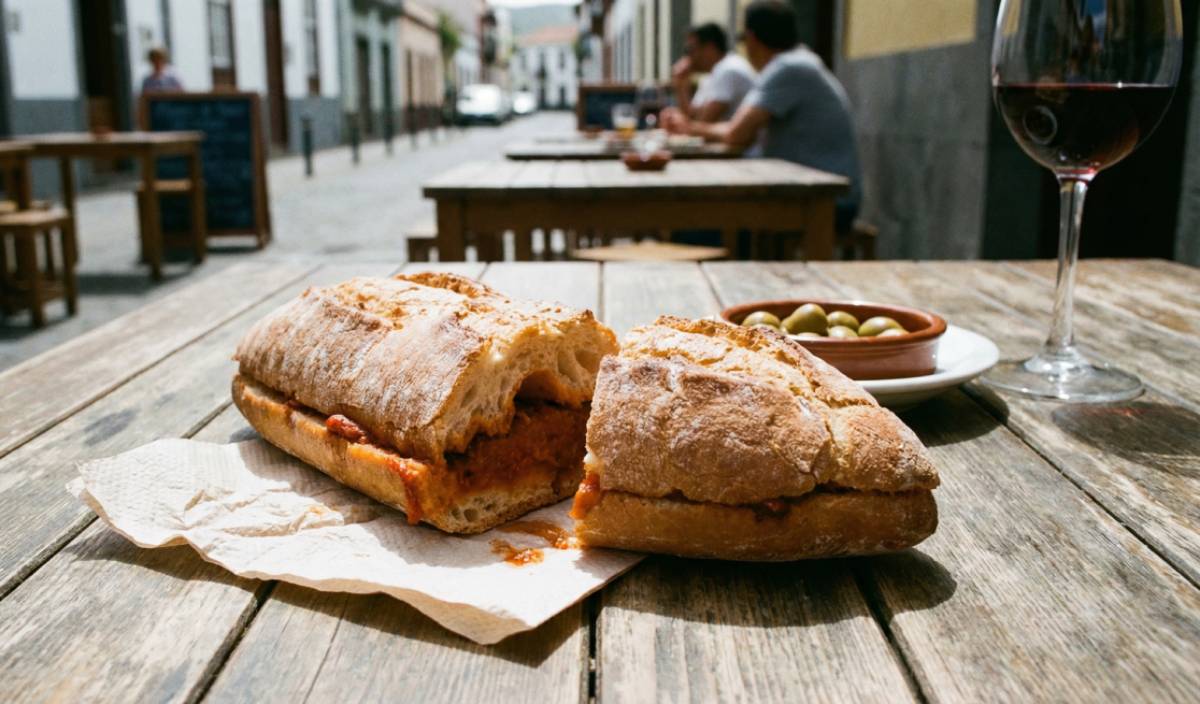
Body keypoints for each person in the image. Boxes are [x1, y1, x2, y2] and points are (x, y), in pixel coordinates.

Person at [663, 0, 862, 230]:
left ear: (752, 39)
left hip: (827, 202)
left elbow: (737, 134)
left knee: (699, 221)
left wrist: (688, 127)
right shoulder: (796, 63)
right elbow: (737, 131)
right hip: (816, 192)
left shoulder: (787, 68)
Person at [666, 23, 755, 123]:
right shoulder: (712, 75)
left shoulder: (728, 69)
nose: (688, 57)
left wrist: (680, 122)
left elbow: (702, 122)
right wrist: (680, 86)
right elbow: (692, 115)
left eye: (690, 50)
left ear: (710, 48)